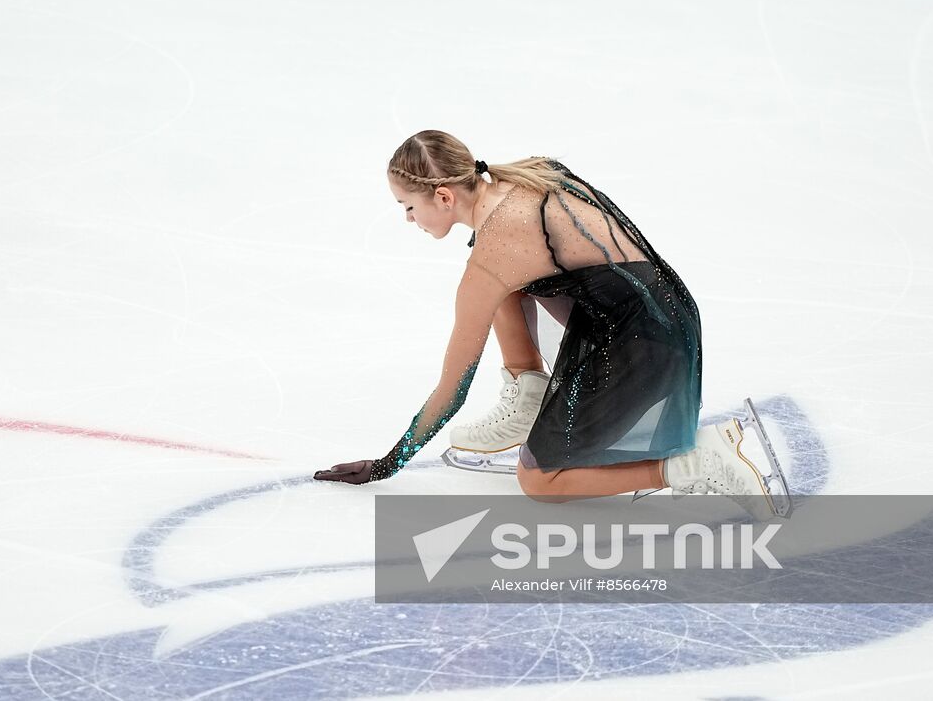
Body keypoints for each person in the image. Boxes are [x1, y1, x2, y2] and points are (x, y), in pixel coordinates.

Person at [313, 130, 783, 519]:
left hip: (643, 346)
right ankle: (529, 393)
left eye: (408, 206)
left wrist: (387, 463)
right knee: (507, 279)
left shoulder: (494, 254)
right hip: (663, 313)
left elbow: (452, 388)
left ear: (443, 195)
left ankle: (694, 462)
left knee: (541, 482)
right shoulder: (524, 177)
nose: (407, 218)